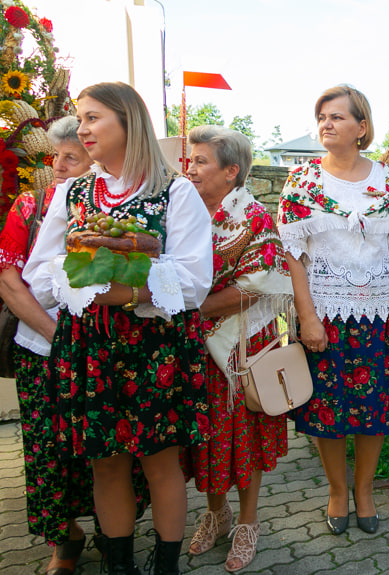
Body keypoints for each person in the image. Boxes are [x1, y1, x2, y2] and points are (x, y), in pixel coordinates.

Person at [23, 82, 213, 574]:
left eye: (92, 118)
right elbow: (41, 270)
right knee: (104, 461)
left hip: (154, 345)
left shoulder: (175, 190)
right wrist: (82, 284)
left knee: (159, 461)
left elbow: (193, 279)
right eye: (80, 119)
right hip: (91, 345)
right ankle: (120, 565)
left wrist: (127, 291)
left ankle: (166, 564)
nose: (81, 129)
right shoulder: (73, 192)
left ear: (128, 121)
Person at [0, 116, 141, 575]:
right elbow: (9, 279)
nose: (58, 167)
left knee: (107, 449)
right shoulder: (29, 205)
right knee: (47, 451)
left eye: (70, 159)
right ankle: (65, 540)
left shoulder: (116, 206)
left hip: (101, 349)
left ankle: (113, 531)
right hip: (43, 351)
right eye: (54, 158)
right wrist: (55, 334)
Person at [277, 85, 389, 536]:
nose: (326, 123)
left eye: (337, 116)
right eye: (321, 115)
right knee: (329, 412)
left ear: (362, 127)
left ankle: (365, 489)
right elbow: (292, 256)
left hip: (378, 315)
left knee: (373, 410)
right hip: (326, 316)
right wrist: (308, 317)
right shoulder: (302, 182)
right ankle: (337, 491)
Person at [183, 126, 292, 571]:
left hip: (244, 344)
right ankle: (216, 514)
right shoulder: (179, 214)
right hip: (193, 347)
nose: (190, 169)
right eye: (189, 160)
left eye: (201, 161)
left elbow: (259, 283)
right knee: (204, 436)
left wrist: (198, 309)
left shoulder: (255, 218)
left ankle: (248, 522)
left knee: (243, 434)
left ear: (231, 172)